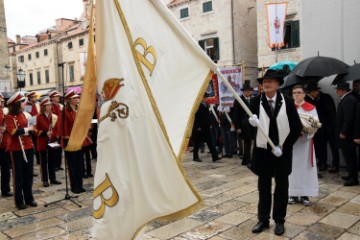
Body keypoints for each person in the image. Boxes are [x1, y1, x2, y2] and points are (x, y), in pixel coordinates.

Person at [249, 69, 302, 236]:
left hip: (282, 154)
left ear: (278, 84)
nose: (266, 83)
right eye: (264, 81)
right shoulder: (255, 102)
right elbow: (244, 126)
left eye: (270, 81)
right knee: (263, 188)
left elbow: (296, 127)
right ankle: (263, 220)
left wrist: (284, 147)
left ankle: (279, 220)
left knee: (281, 188)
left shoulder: (287, 101)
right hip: (262, 153)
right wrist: (249, 124)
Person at [5, 92, 37, 209]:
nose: (24, 103)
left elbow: (28, 129)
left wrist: (31, 129)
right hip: (17, 149)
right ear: (17, 104)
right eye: (22, 102)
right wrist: (27, 129)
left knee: (28, 175)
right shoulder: (9, 117)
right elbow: (12, 132)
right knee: (18, 176)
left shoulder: (24, 115)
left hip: (28, 147)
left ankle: (29, 198)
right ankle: (19, 200)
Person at [288, 85, 319, 206]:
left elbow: (316, 123)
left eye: (299, 92)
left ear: (304, 94)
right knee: (292, 167)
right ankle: (292, 193)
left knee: (306, 168)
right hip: (293, 143)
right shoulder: (289, 107)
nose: (296, 95)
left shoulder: (311, 108)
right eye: (294, 93)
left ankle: (305, 194)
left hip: (305, 142)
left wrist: (307, 130)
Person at [304, 83, 339, 172]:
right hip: (320, 129)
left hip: (330, 126)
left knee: (334, 146)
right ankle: (323, 163)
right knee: (322, 147)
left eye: (317, 91)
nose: (316, 93)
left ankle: (336, 164)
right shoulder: (308, 100)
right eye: (314, 91)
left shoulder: (326, 97)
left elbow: (331, 111)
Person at [335, 82, 358, 186]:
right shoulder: (348, 98)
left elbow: (348, 118)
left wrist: (344, 132)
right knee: (348, 155)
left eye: (338, 89)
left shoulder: (349, 99)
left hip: (347, 135)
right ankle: (351, 174)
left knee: (350, 155)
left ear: (343, 90)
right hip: (346, 134)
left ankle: (353, 178)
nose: (336, 91)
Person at [35, 98, 62, 187]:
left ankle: (53, 178)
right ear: (43, 107)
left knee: (52, 160)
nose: (50, 107)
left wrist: (56, 136)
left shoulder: (53, 116)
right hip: (42, 141)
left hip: (52, 141)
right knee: (43, 162)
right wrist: (44, 133)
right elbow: (35, 130)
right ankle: (45, 180)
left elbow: (57, 128)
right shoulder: (38, 117)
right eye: (48, 105)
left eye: (50, 105)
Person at [63, 90, 85, 194]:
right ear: (69, 100)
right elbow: (63, 127)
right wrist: (67, 138)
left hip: (79, 140)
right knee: (72, 165)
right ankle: (74, 186)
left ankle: (80, 185)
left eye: (77, 98)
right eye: (74, 98)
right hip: (70, 141)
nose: (77, 99)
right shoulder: (65, 111)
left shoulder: (78, 110)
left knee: (80, 164)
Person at [233, 83, 253, 166]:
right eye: (246, 91)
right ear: (243, 91)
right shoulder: (239, 100)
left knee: (249, 143)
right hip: (243, 125)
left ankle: (245, 160)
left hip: (250, 125)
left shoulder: (251, 99)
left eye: (249, 91)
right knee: (247, 142)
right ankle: (247, 160)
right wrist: (237, 127)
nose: (248, 92)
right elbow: (235, 115)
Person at [0, 93, 12, 197]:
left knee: (5, 169)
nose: (3, 103)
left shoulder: (4, 112)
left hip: (3, 144)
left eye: (3, 101)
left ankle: (5, 189)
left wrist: (5, 129)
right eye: (1, 101)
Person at [49, 90, 64, 171]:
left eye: (58, 96)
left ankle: (58, 164)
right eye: (56, 97)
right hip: (54, 131)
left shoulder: (60, 106)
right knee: (54, 149)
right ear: (52, 98)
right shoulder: (50, 107)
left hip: (60, 129)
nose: (58, 98)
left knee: (59, 149)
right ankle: (54, 165)